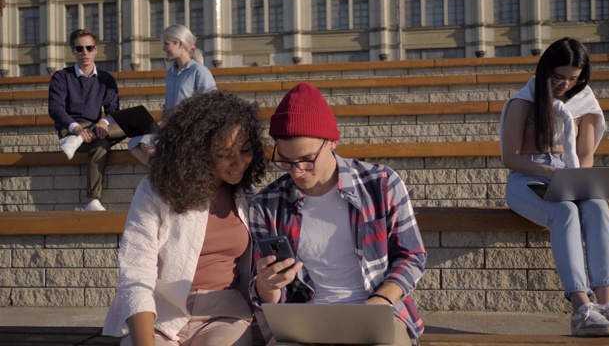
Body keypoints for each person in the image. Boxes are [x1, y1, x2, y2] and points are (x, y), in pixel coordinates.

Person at [249, 83, 427, 345]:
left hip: (377, 312)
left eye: (307, 159)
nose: (297, 172)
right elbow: (267, 293)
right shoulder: (267, 203)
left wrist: (381, 300)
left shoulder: (381, 183)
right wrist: (266, 287)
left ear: (332, 141)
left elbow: (412, 256)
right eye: (285, 162)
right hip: (304, 322)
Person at [500, 37, 609, 337]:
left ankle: (608, 305)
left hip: (570, 176)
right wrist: (551, 172)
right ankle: (581, 307)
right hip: (528, 178)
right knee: (564, 212)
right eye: (558, 77)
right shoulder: (523, 101)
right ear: (545, 70)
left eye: (574, 79)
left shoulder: (585, 104)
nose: (565, 84)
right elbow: (510, 158)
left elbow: (585, 156)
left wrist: (577, 182)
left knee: (598, 207)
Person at [102, 91, 266, 346]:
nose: (239, 163)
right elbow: (136, 272)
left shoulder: (246, 196)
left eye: (245, 150)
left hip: (224, 315)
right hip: (160, 311)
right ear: (197, 152)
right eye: (224, 154)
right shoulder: (155, 190)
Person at [48, 29, 126, 211]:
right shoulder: (61, 77)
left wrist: (103, 122)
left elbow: (113, 109)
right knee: (102, 144)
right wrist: (76, 129)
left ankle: (92, 201)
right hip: (70, 130)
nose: (85, 53)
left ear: (96, 50)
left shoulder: (106, 79)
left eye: (89, 48)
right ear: (73, 51)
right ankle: (93, 200)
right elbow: (55, 108)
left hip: (94, 128)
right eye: (80, 48)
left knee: (129, 122)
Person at [129, 24, 217, 166]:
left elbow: (210, 105)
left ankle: (162, 173)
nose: (163, 48)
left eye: (166, 44)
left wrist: (178, 121)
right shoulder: (170, 73)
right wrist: (162, 121)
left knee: (149, 146)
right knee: (134, 142)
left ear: (180, 44)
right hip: (169, 127)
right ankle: (161, 172)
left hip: (189, 129)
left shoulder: (199, 71)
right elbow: (169, 105)